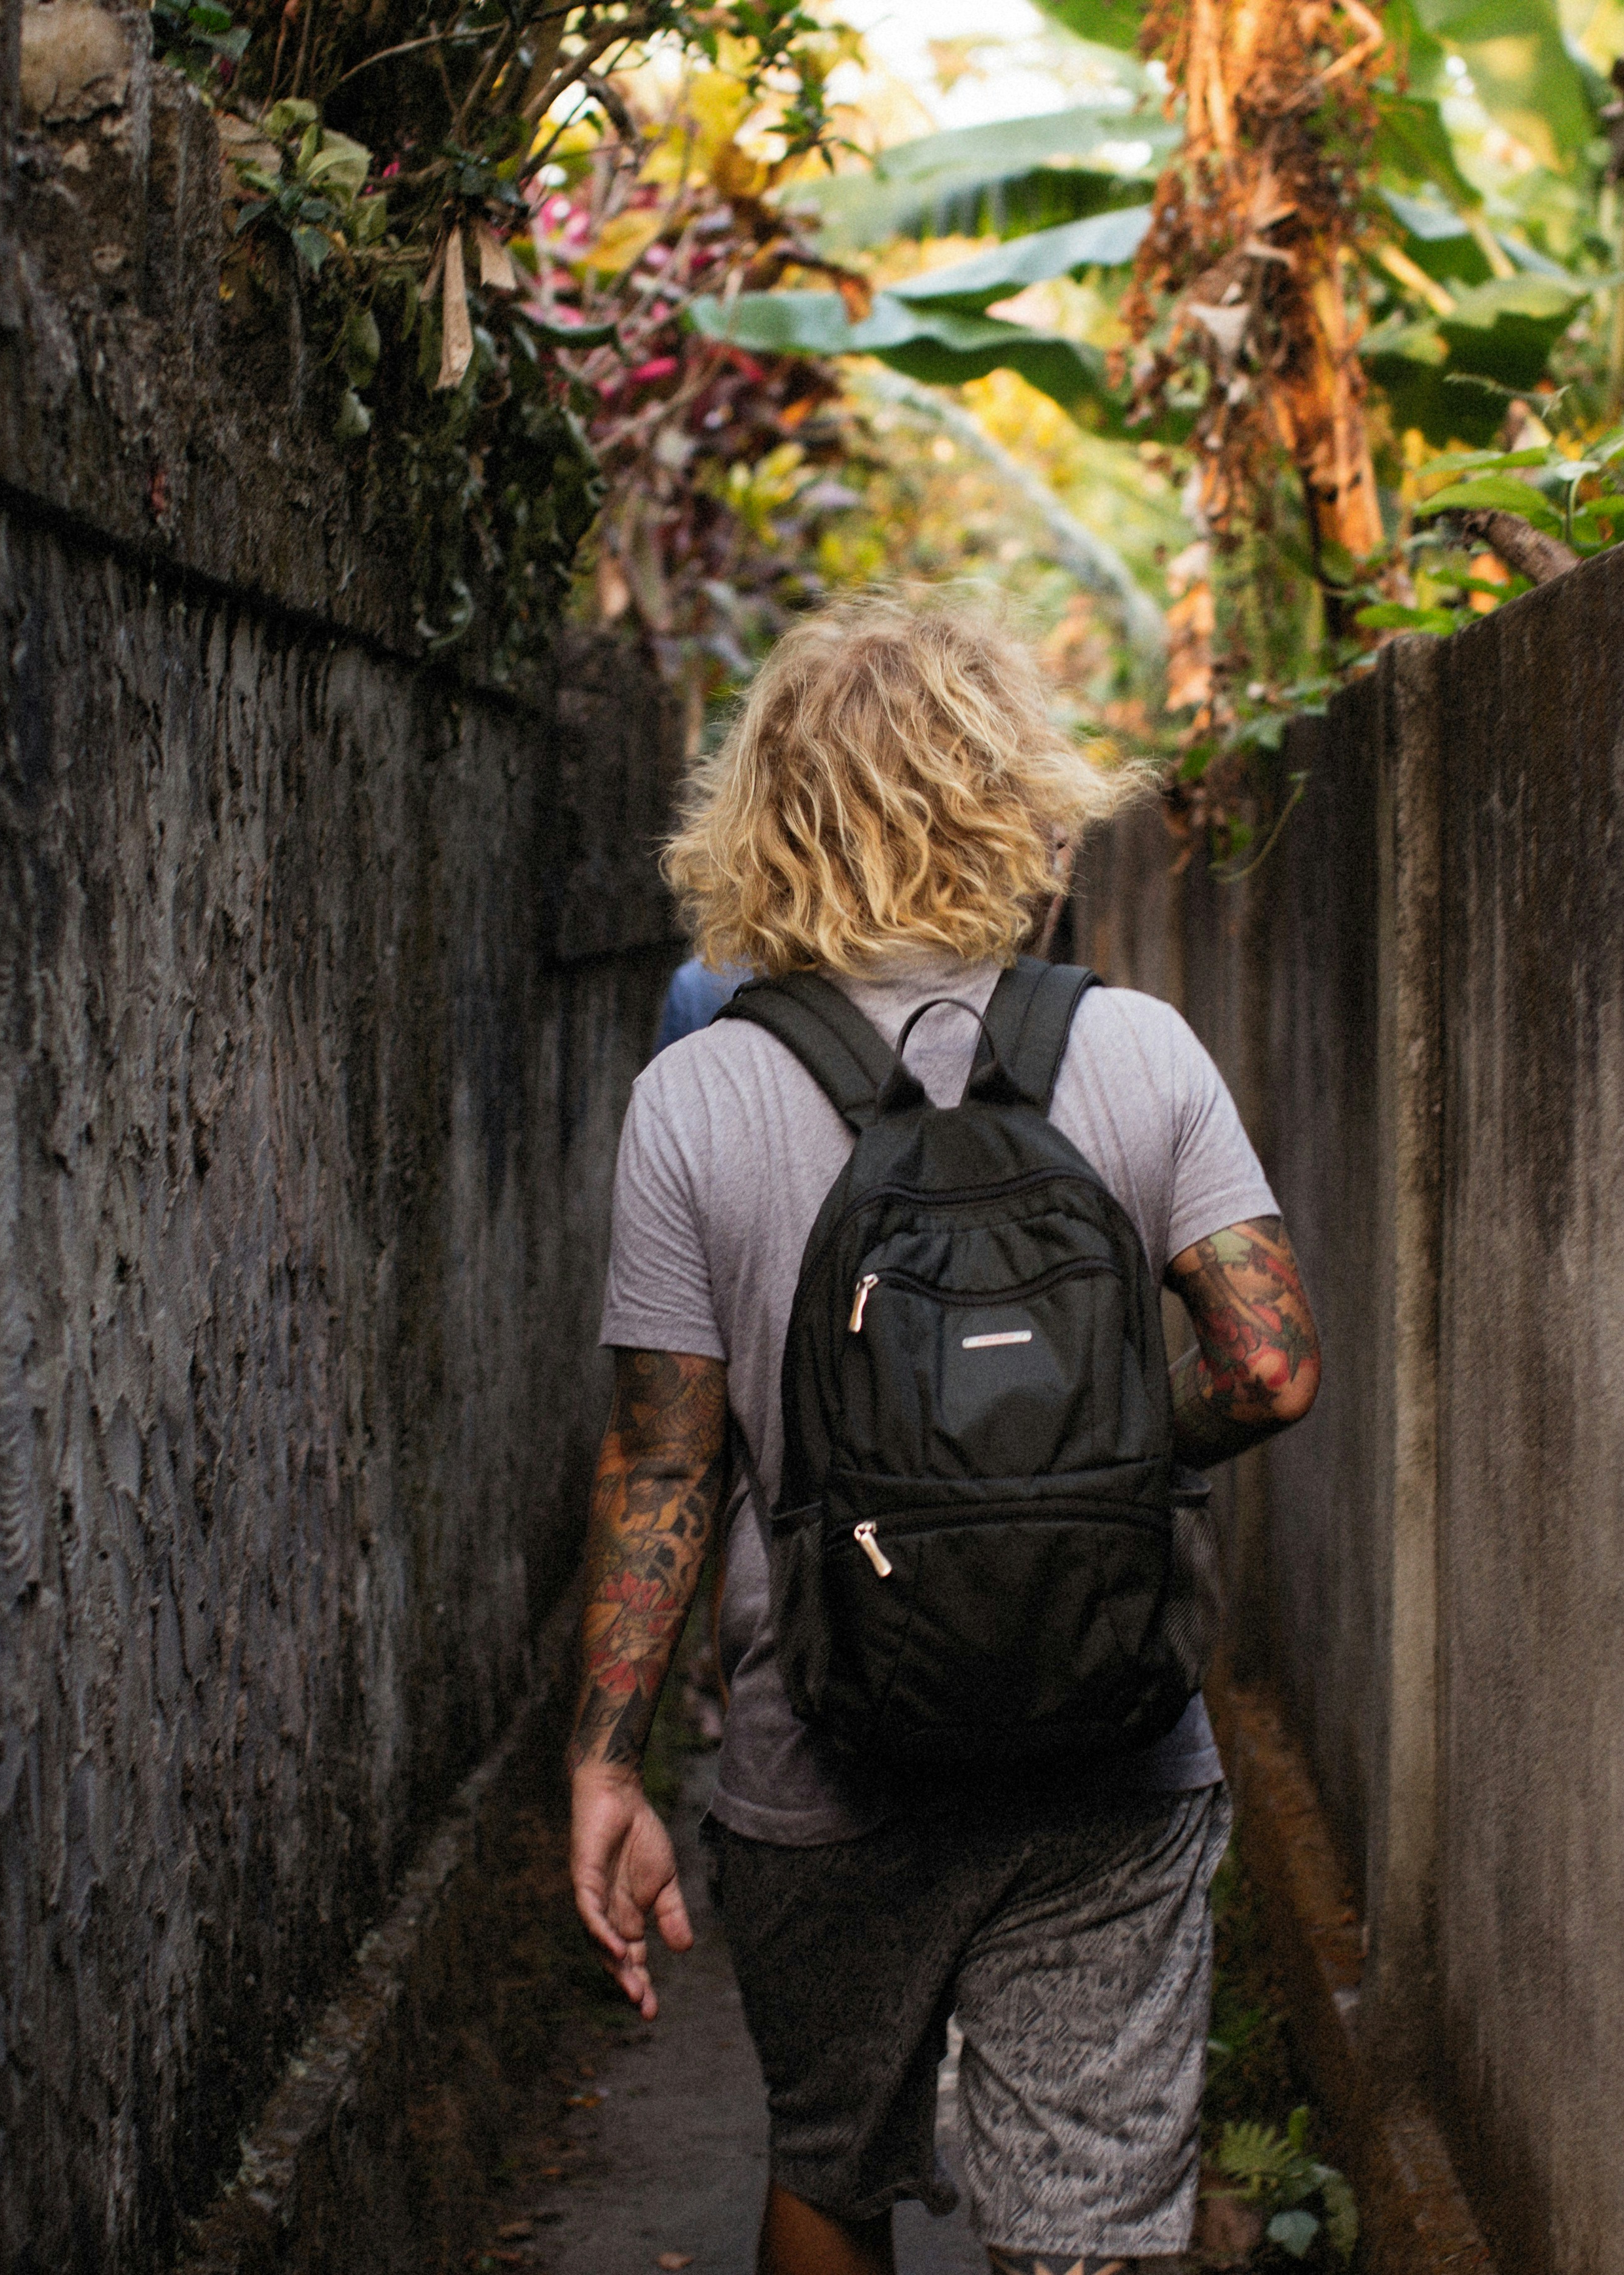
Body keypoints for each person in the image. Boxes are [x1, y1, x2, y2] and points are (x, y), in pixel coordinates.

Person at [569, 592, 1321, 2275]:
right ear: (1011, 790)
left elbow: (667, 1466)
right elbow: (1270, 1364)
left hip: (821, 1757)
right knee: (1094, 2222)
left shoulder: (694, 1101)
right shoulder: (1135, 1050)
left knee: (830, 2166)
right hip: (1109, 1751)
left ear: (767, 810)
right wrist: (1130, 1440)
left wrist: (607, 1760)